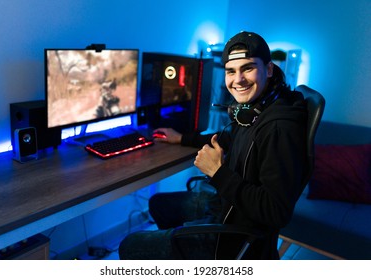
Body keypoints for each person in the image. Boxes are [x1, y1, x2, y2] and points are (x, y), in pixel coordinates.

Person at [119, 31, 307, 260]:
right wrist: (182, 138)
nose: (238, 80)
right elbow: (226, 139)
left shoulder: (279, 128)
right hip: (228, 208)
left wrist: (218, 173)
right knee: (159, 204)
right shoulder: (257, 109)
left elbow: (275, 212)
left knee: (130, 245)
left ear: (268, 69)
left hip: (235, 235)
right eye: (231, 71)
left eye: (248, 68)